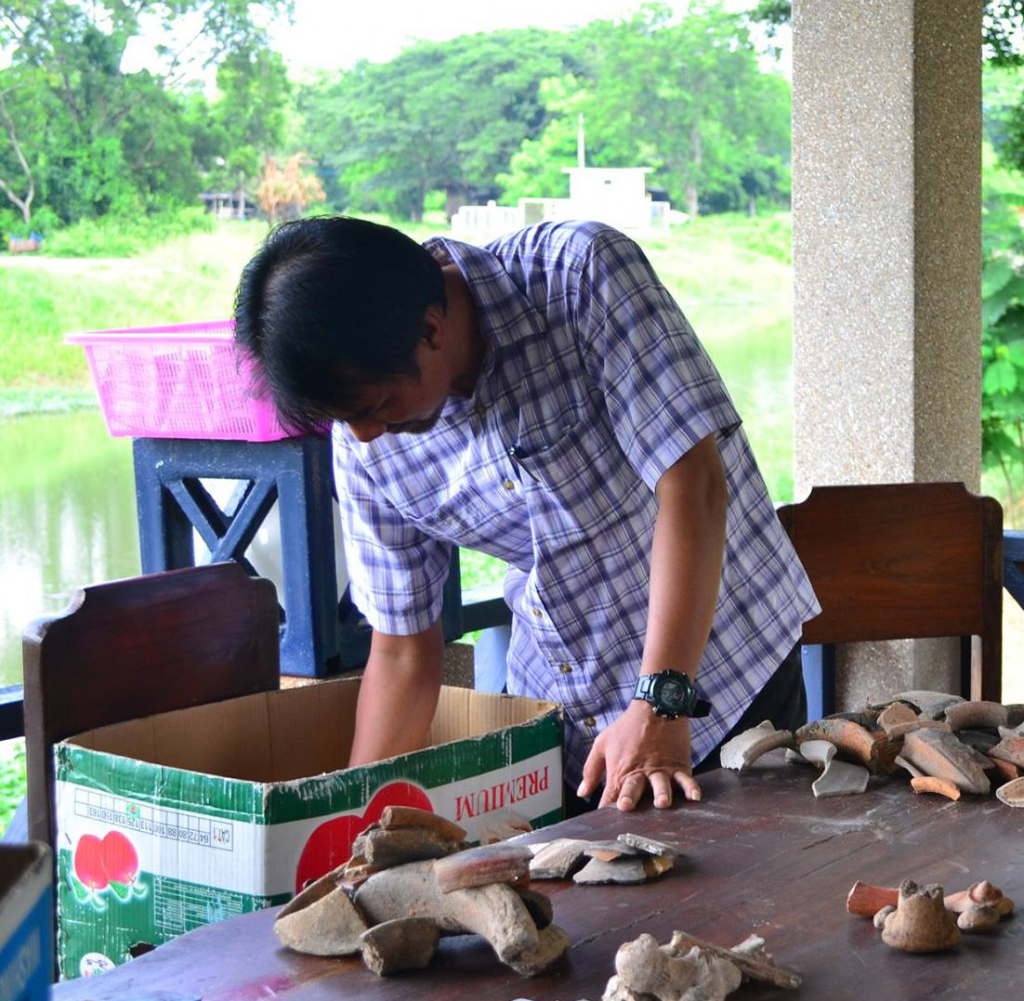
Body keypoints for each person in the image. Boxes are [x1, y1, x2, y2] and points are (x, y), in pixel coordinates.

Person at [234, 216, 819, 812]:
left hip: (723, 670)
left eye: (379, 405)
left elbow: (692, 484)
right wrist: (357, 817)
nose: (366, 434)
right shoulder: (364, 449)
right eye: (346, 419)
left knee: (745, 890)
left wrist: (662, 701)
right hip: (569, 713)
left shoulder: (580, 275)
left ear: (431, 329)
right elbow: (403, 649)